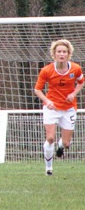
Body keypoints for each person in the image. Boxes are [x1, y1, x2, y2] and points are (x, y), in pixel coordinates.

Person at [34, 39, 84, 176]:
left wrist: (73, 94)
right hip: (52, 108)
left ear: (68, 54)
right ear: (54, 54)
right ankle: (48, 169)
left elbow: (81, 82)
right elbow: (37, 90)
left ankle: (61, 147)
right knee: (50, 138)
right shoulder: (46, 70)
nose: (61, 54)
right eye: (59, 52)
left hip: (69, 108)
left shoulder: (75, 68)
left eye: (64, 52)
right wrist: (47, 100)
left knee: (67, 143)